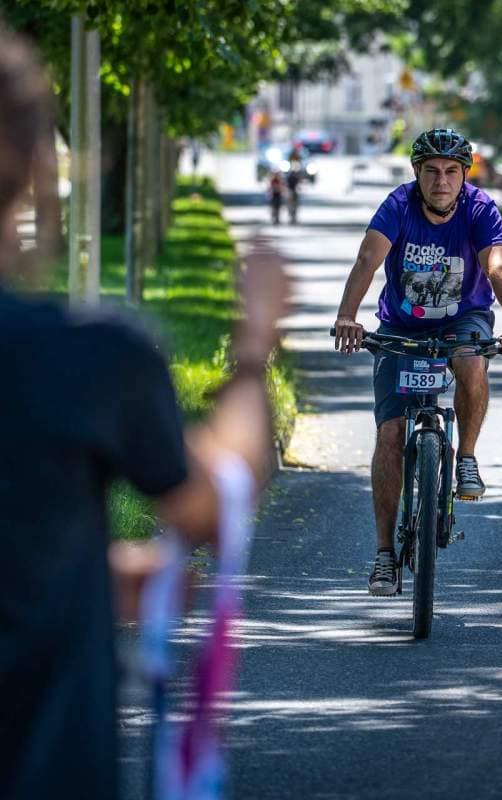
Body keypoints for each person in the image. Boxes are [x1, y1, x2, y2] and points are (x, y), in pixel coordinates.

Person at [0, 28, 288, 800]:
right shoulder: (86, 357)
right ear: (37, 168)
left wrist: (75, 574)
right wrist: (254, 349)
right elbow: (211, 502)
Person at [333, 127, 502, 596]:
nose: (441, 181)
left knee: (471, 361)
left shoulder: (479, 208)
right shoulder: (398, 206)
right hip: (402, 326)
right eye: (431, 172)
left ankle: (465, 457)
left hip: (463, 318)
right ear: (416, 174)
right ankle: (384, 556)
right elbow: (367, 260)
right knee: (388, 436)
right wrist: (346, 316)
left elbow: (496, 267)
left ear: (465, 174)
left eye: (451, 172)